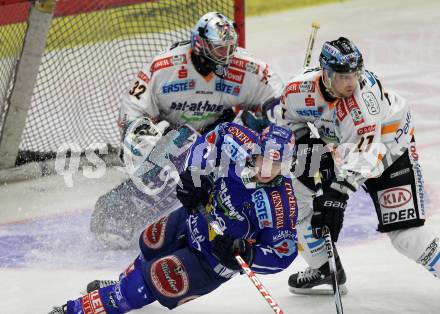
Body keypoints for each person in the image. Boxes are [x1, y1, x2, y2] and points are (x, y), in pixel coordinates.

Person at [49, 122, 298, 314]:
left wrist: (249, 254)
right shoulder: (238, 139)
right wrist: (194, 176)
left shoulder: (281, 205)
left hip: (210, 259)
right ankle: (122, 285)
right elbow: (210, 141)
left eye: (275, 164)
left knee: (150, 282)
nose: (266, 168)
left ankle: (76, 308)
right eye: (263, 157)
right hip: (193, 218)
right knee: (150, 242)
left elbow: (283, 253)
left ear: (287, 164)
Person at [91, 11, 283, 249]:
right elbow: (131, 111)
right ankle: (115, 209)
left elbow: (278, 100)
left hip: (214, 133)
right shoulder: (165, 67)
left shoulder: (246, 68)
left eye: (231, 48)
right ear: (201, 44)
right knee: (173, 166)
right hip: (169, 135)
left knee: (243, 143)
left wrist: (271, 116)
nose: (228, 55)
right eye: (220, 49)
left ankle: (232, 211)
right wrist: (145, 147)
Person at [275, 37, 440, 294]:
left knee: (406, 236)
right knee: (295, 197)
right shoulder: (298, 91)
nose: (351, 82)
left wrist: (337, 195)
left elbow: (367, 153)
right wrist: (304, 140)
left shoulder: (364, 99)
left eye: (354, 73)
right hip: (345, 149)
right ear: (326, 74)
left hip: (390, 148)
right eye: (343, 76)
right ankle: (324, 269)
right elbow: (285, 117)